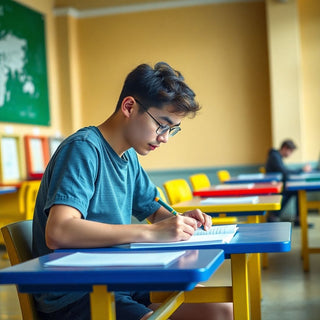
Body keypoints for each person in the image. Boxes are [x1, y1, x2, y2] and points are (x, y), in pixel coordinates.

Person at [32, 62, 233, 320]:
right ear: (129, 107)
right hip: (77, 293)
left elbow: (155, 211)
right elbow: (58, 232)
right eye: (162, 124)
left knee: (221, 310)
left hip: (121, 277)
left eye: (172, 129)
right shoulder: (83, 149)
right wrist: (151, 232)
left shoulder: (128, 159)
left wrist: (180, 221)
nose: (165, 138)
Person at [265, 139, 312, 225]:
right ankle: (274, 215)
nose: (290, 154)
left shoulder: (276, 156)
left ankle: (297, 219)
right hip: (273, 188)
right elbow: (284, 172)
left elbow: (284, 172)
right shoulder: (275, 156)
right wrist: (301, 170)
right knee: (295, 190)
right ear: (285, 148)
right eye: (290, 151)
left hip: (277, 185)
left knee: (296, 190)